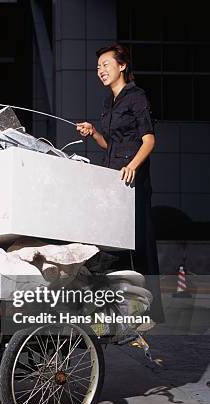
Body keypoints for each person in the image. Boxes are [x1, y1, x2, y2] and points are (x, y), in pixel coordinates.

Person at [76, 43, 164, 323]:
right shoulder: (109, 102)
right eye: (98, 67)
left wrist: (132, 167)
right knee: (112, 238)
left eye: (106, 65)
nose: (100, 71)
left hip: (133, 178)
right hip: (113, 177)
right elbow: (110, 145)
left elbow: (149, 140)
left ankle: (145, 309)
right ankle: (114, 306)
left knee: (136, 239)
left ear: (122, 66)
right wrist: (94, 132)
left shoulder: (137, 97)